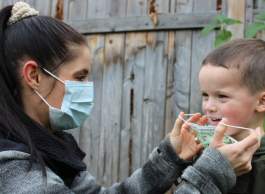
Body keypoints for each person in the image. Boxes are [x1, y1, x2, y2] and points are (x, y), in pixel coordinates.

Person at [0, 2, 260, 194]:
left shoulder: (50, 145)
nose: (87, 87)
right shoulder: (12, 171)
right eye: (79, 77)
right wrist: (212, 171)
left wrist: (170, 157)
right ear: (33, 75)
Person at [198, 38, 265, 194]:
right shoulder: (201, 152)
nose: (208, 107)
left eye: (222, 96)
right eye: (205, 95)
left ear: (262, 102)